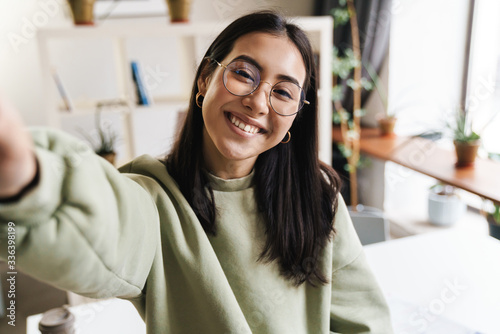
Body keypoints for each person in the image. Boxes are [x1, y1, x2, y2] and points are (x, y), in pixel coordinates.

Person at [0, 11, 393, 334]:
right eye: (244, 74)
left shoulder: (317, 198)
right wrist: (28, 176)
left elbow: (366, 323)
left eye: (284, 92)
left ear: (294, 118)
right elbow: (104, 229)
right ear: (206, 78)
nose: (257, 102)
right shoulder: (155, 199)